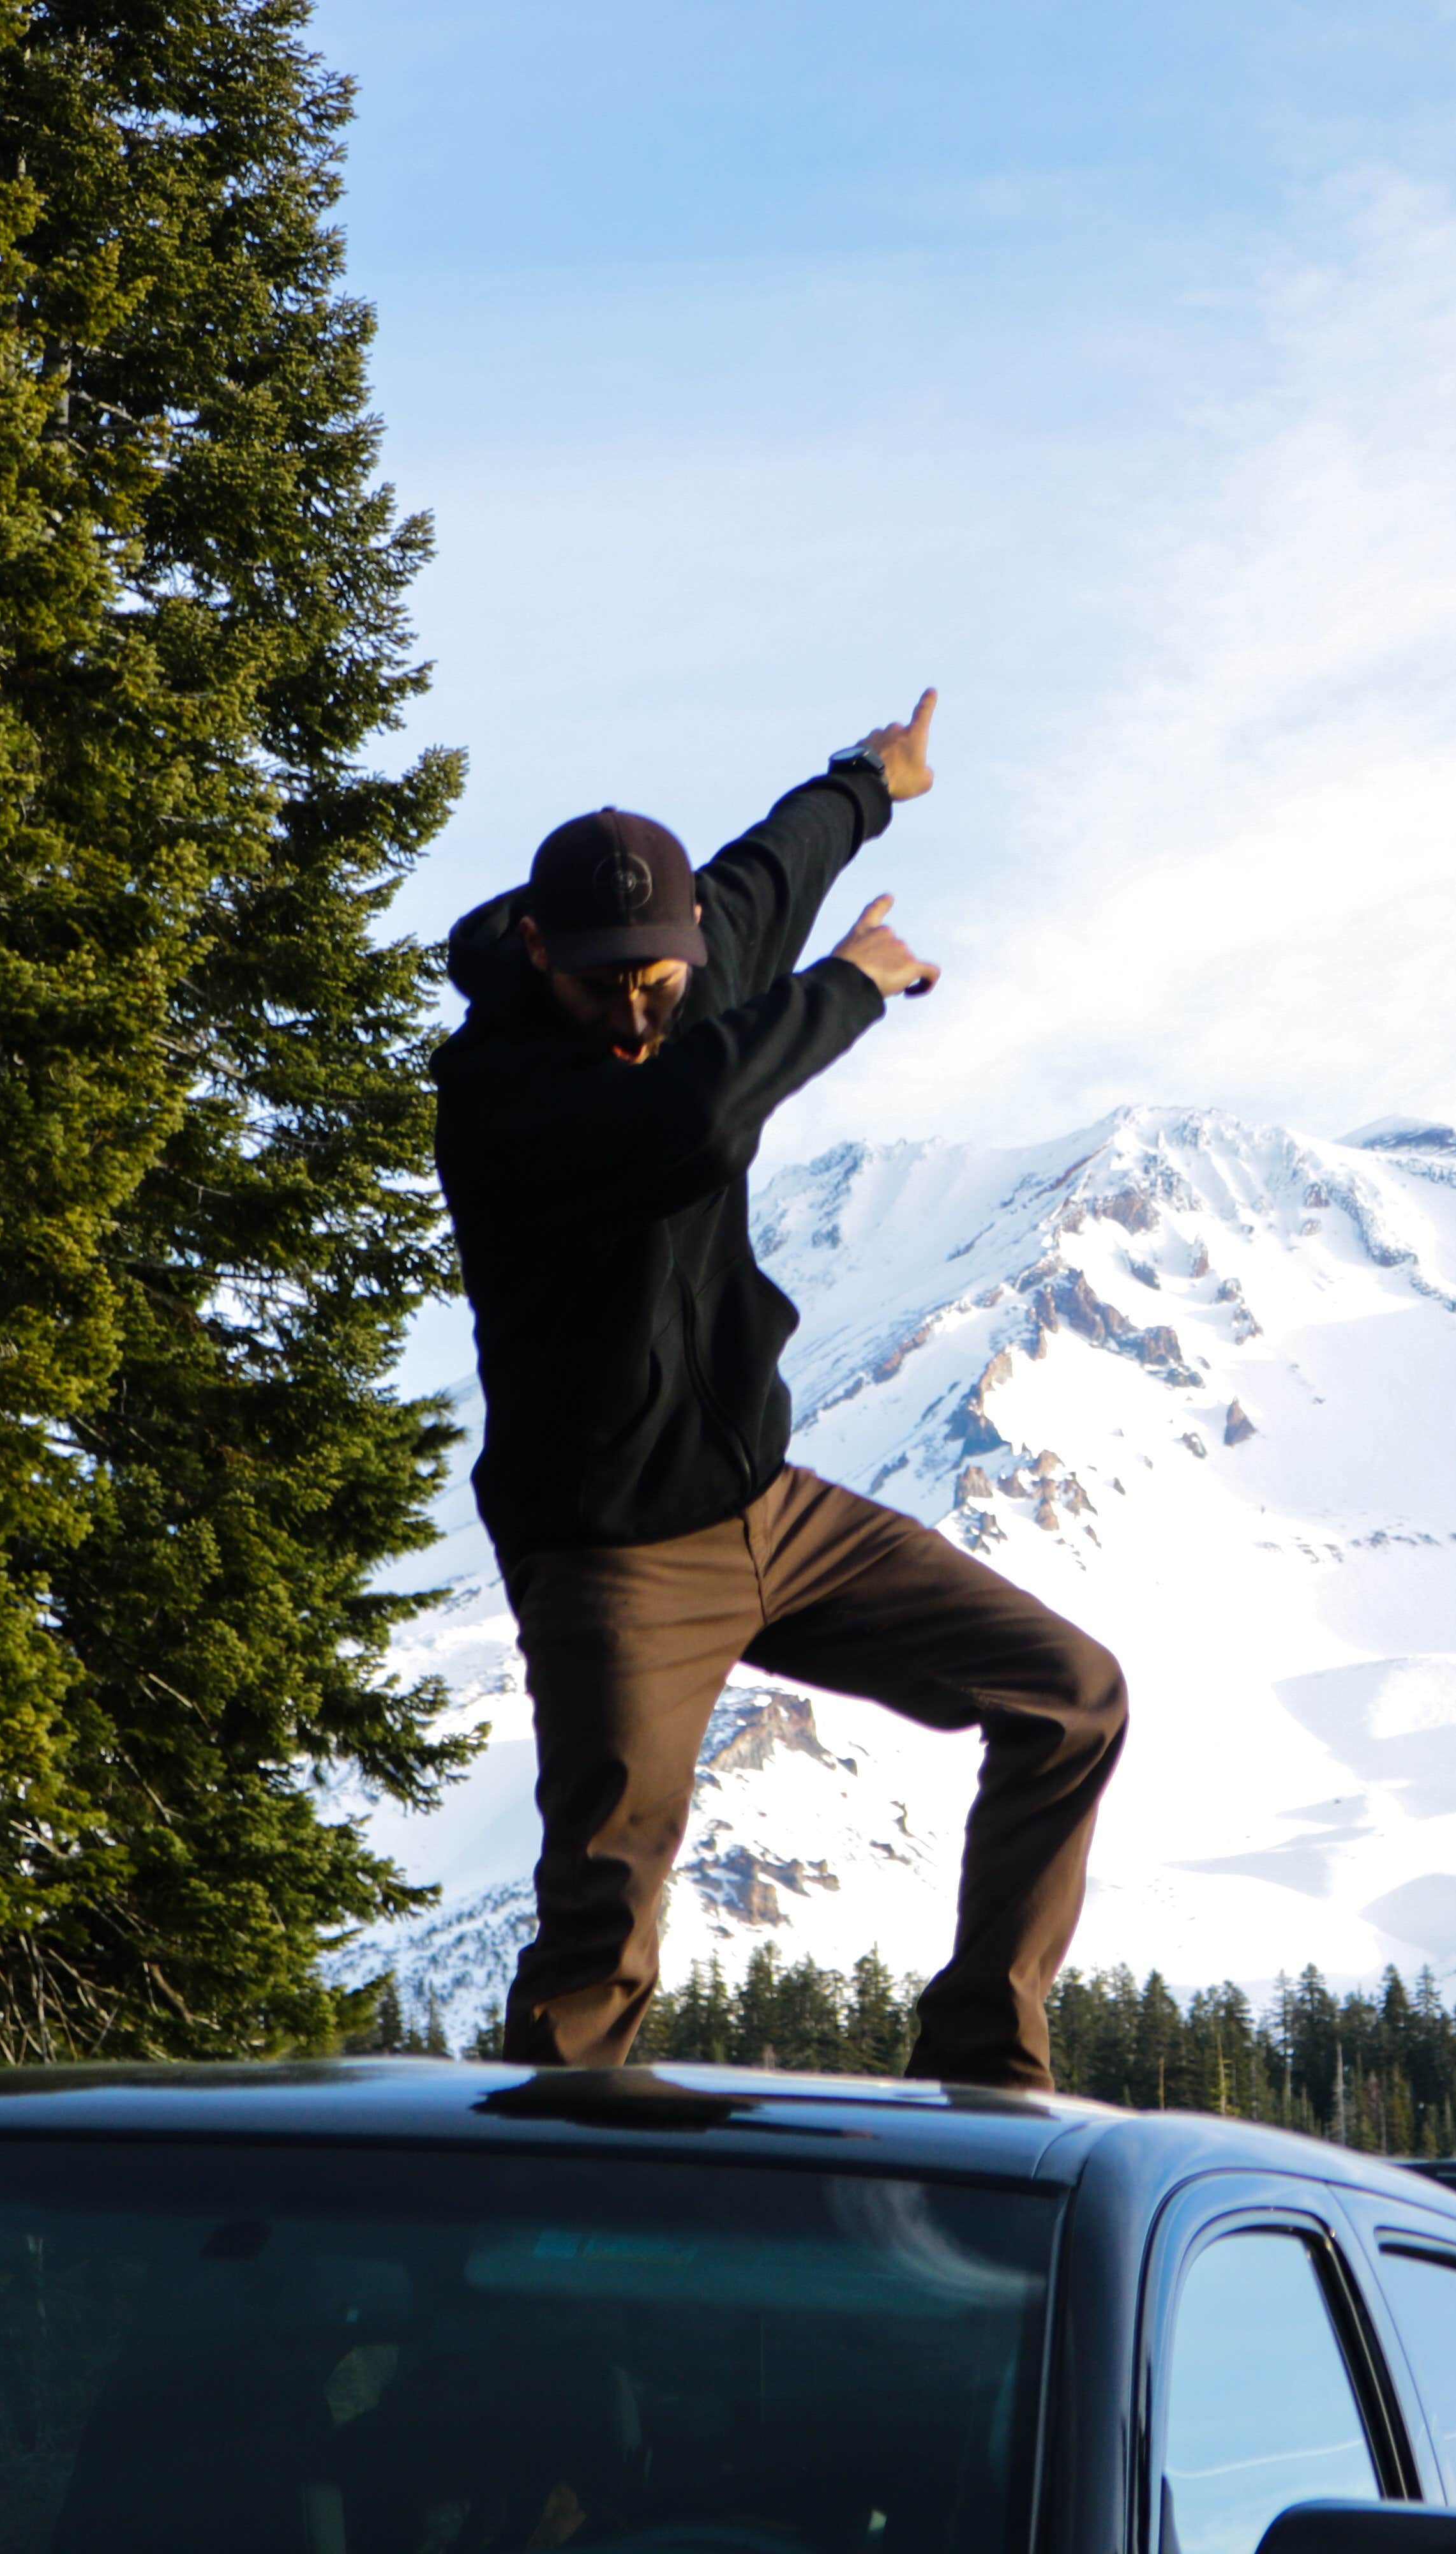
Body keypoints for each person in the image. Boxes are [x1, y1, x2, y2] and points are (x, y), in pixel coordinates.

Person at [430, 691, 1125, 2086]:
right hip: (612, 1558)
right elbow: (684, 1114)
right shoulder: (499, 1090)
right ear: (534, 949)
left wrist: (871, 778)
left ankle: (989, 2075)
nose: (634, 1012)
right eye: (602, 988)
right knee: (602, 1919)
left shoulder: (695, 959)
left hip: (771, 1509)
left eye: (660, 982)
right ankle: (536, 2215)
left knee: (1071, 1692)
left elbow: (765, 869)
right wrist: (855, 983)